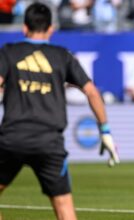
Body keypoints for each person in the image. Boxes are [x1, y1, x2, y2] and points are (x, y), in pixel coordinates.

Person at [0, 3, 119, 220]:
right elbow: (92, 92)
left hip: (12, 138)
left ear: (24, 28)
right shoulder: (62, 55)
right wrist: (105, 131)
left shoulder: (8, 52)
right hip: (49, 141)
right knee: (64, 206)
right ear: (51, 29)